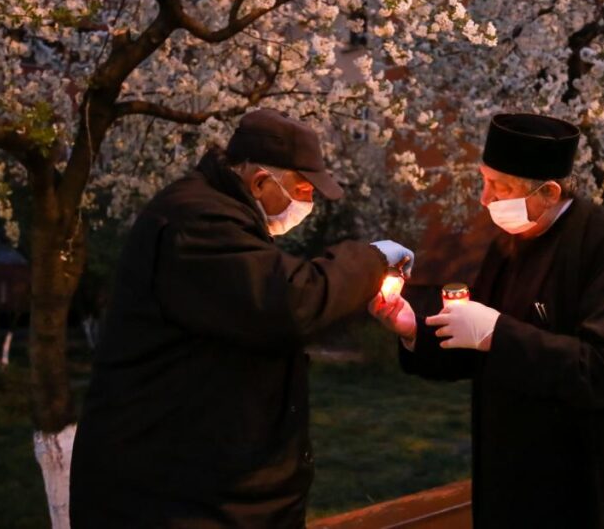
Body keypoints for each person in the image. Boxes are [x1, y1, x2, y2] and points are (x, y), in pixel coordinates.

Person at [71, 108, 415, 528]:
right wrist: (372, 260)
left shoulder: (215, 214)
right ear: (260, 182)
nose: (307, 204)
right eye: (302, 190)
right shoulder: (198, 222)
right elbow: (290, 302)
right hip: (172, 499)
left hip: (197, 486)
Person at [370, 113, 604, 528]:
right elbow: (478, 345)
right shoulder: (509, 246)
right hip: (518, 481)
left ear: (549, 192)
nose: (484, 198)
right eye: (484, 181)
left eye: (500, 187)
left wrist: (497, 333)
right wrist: (415, 330)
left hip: (597, 487)